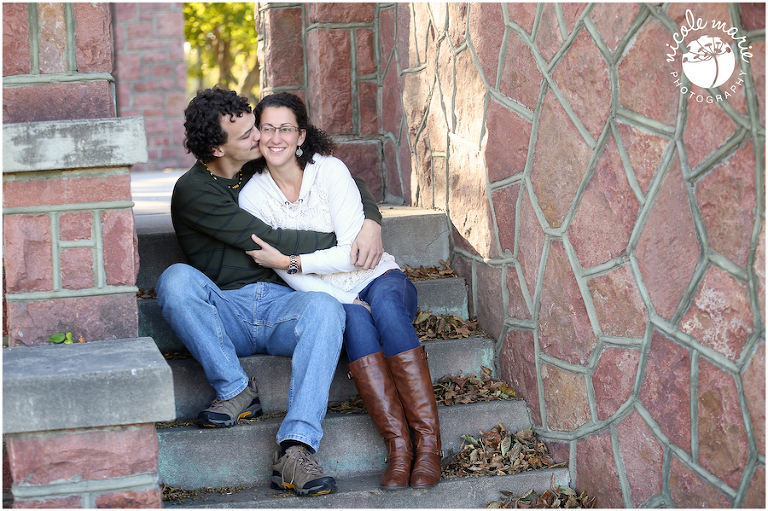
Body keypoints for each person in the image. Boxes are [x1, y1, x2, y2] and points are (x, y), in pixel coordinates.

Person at [155, 87, 385, 497]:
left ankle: (296, 449)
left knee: (327, 309)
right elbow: (269, 239)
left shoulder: (252, 162)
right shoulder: (194, 191)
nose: (260, 138)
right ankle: (235, 388)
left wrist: (369, 220)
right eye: (247, 135)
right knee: (175, 279)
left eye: (255, 130)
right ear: (214, 148)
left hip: (284, 302)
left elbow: (342, 175)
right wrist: (341, 242)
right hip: (227, 310)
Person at [238, 92, 443, 490]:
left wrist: (290, 260)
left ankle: (430, 447)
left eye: (286, 129)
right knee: (357, 322)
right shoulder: (253, 197)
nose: (276, 137)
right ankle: (400, 449)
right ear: (257, 135)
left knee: (383, 307)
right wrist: (347, 300)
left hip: (378, 277)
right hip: (334, 297)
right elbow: (292, 280)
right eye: (267, 128)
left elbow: (355, 254)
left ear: (301, 136)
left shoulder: (329, 171)